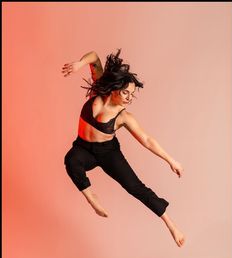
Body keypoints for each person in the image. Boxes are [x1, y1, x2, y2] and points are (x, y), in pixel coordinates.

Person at [62, 49, 185, 247]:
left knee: (135, 187)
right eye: (125, 92)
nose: (129, 97)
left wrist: (171, 160)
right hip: (83, 148)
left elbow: (147, 139)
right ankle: (90, 196)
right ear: (115, 89)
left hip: (108, 152)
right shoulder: (98, 89)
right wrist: (79, 63)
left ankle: (171, 225)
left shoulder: (123, 117)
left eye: (132, 94)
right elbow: (93, 56)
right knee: (71, 160)